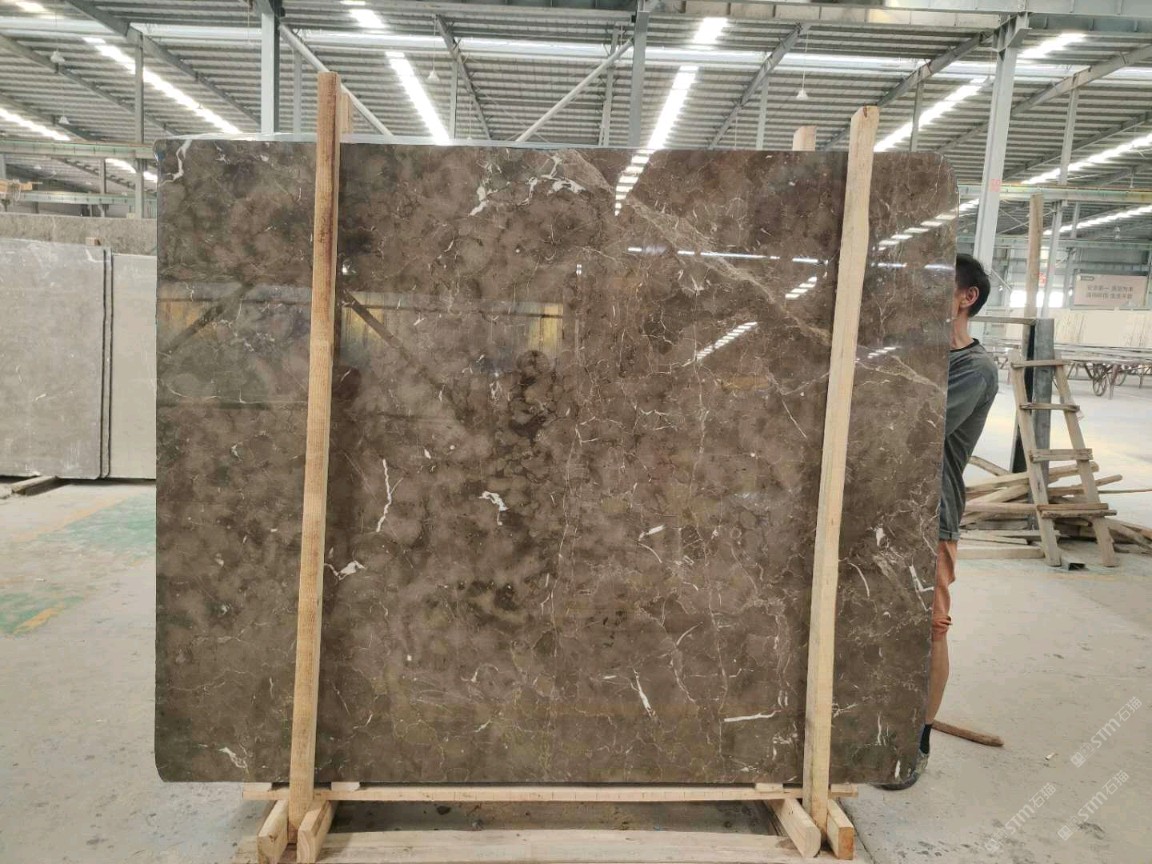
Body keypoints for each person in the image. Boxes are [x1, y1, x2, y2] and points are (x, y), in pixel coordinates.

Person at [881, 252, 999, 790]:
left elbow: (918, 428)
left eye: (936, 285)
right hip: (883, 506)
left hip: (932, 514)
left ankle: (917, 741)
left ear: (966, 297)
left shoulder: (975, 368)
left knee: (929, 628)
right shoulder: (913, 355)